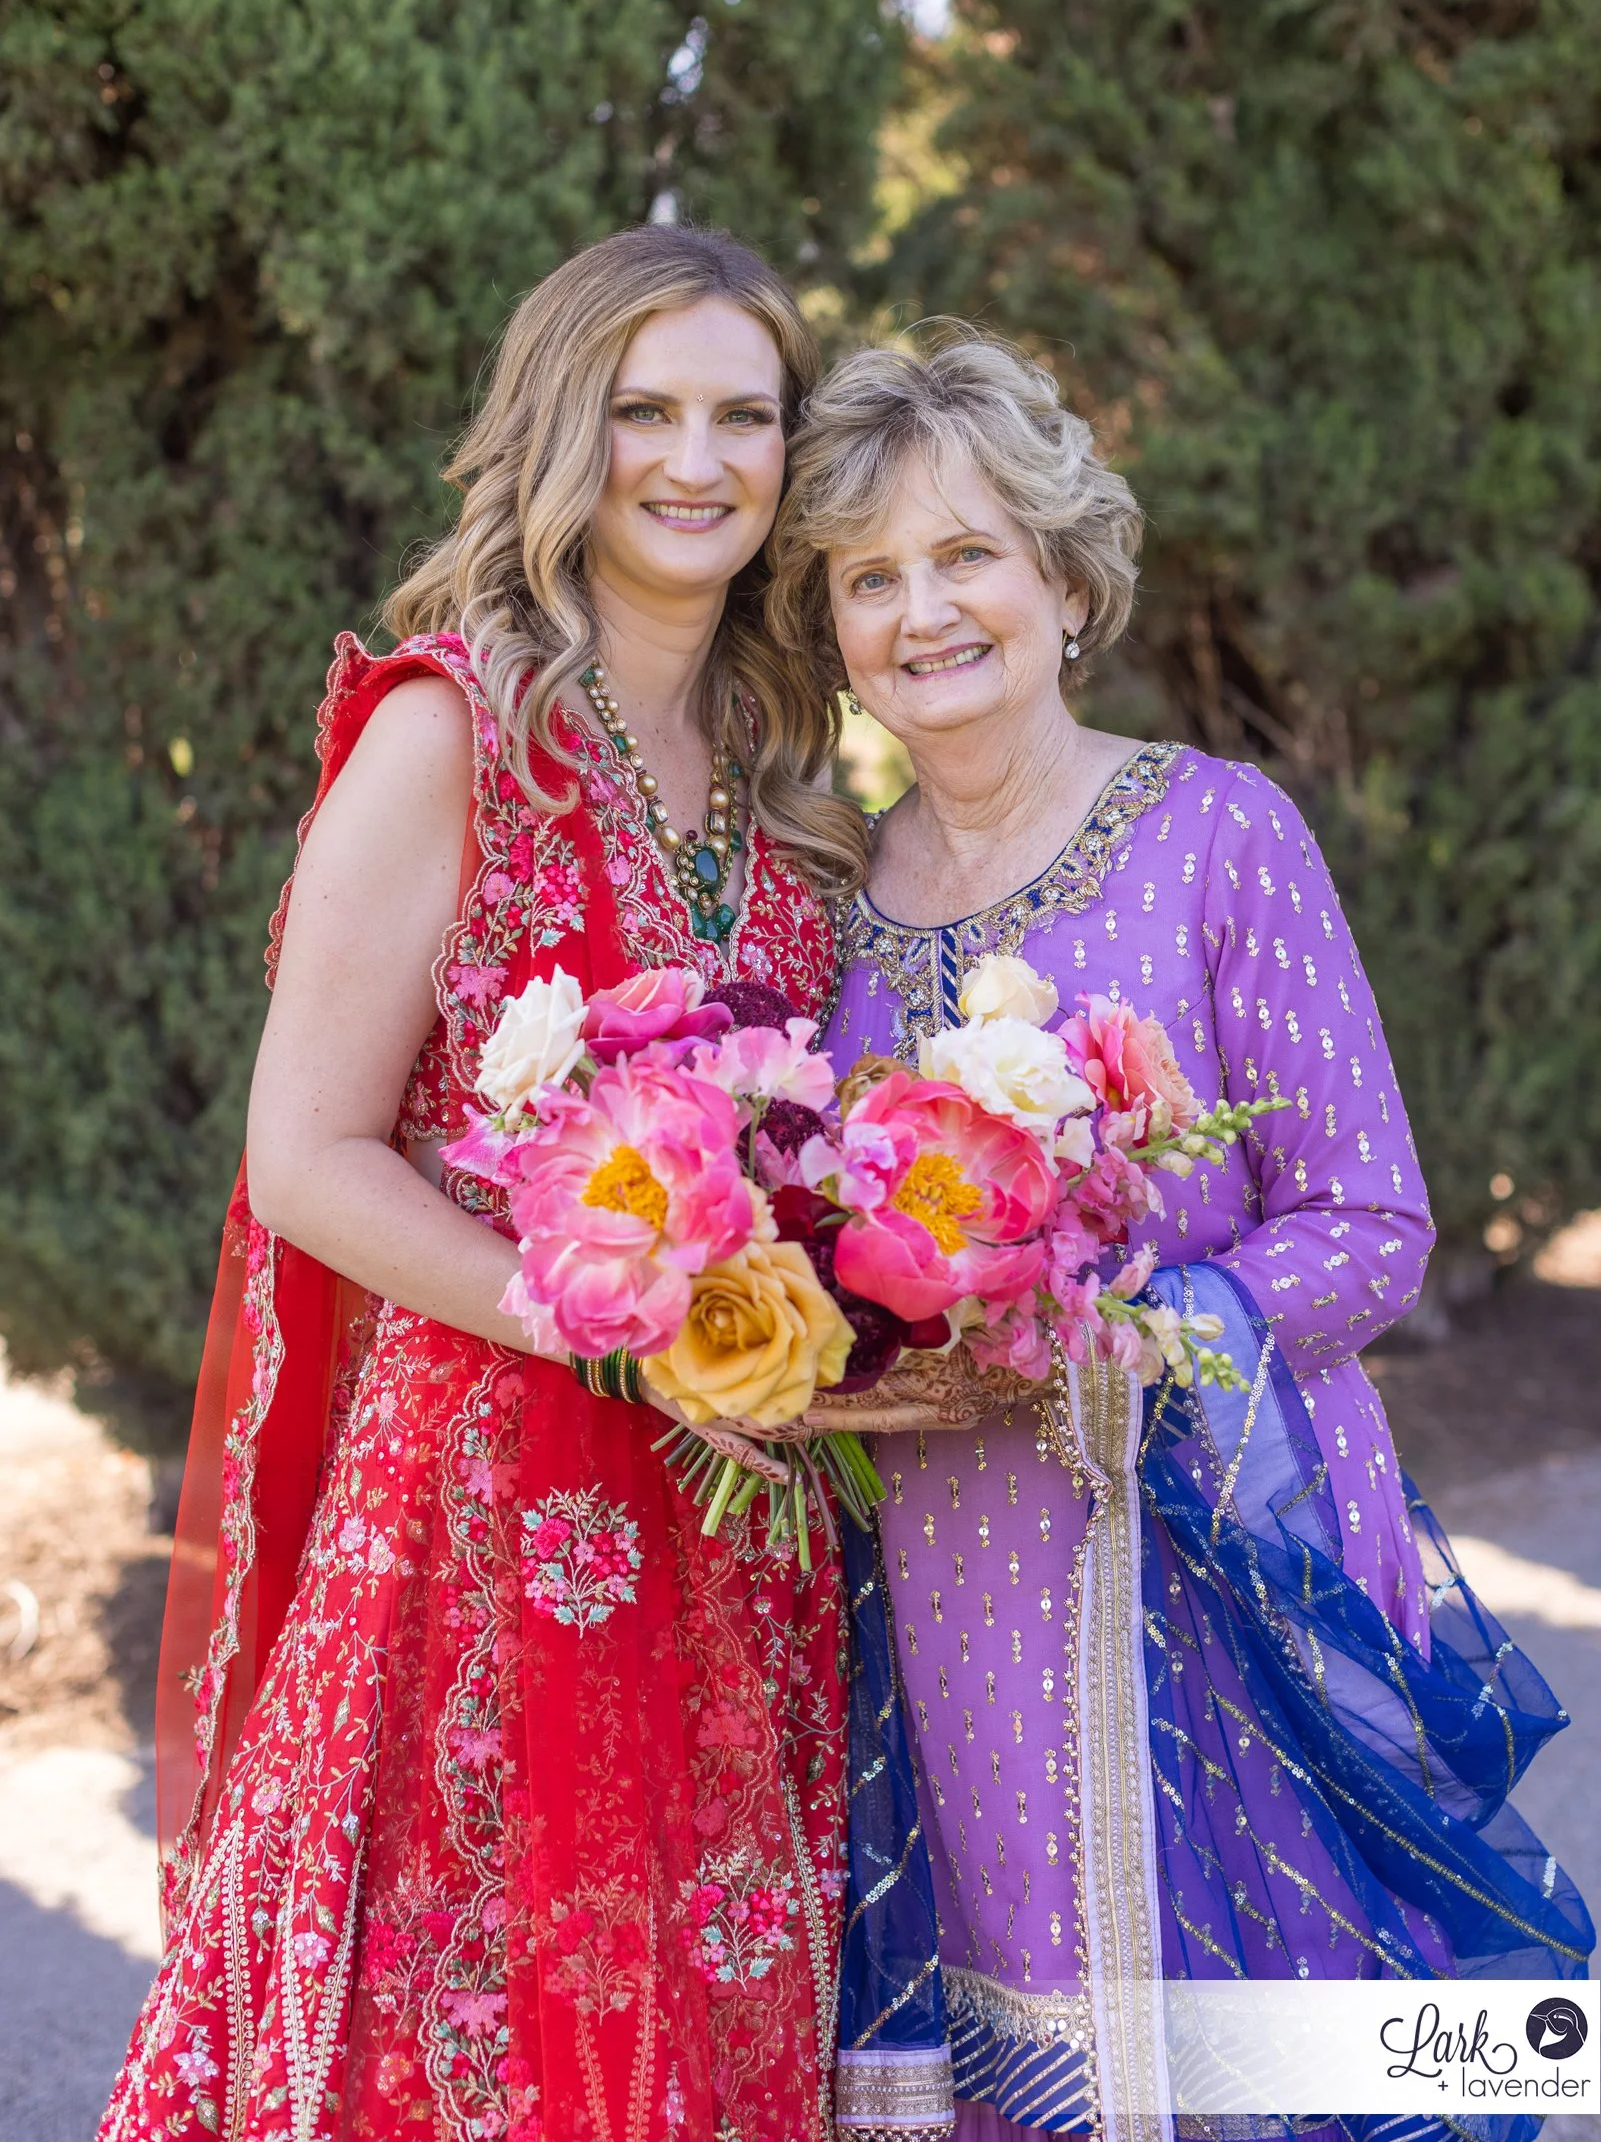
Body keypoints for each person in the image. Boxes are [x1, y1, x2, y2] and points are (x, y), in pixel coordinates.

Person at [768, 331, 1593, 2142]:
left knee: (1274, 2074)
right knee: (1031, 2060)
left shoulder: (1219, 836)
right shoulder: (823, 911)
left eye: (967, 554)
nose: (924, 612)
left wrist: (1134, 1326)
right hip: (946, 1592)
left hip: (1231, 1557)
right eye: (871, 578)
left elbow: (1372, 1223)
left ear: (1064, 578)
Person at [100, 225, 867, 2142]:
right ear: (561, 427)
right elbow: (305, 1156)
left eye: (744, 416)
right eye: (646, 410)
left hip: (744, 1528)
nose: (698, 461)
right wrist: (613, 1329)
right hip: (490, 1518)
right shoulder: (453, 728)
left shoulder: (787, 770)